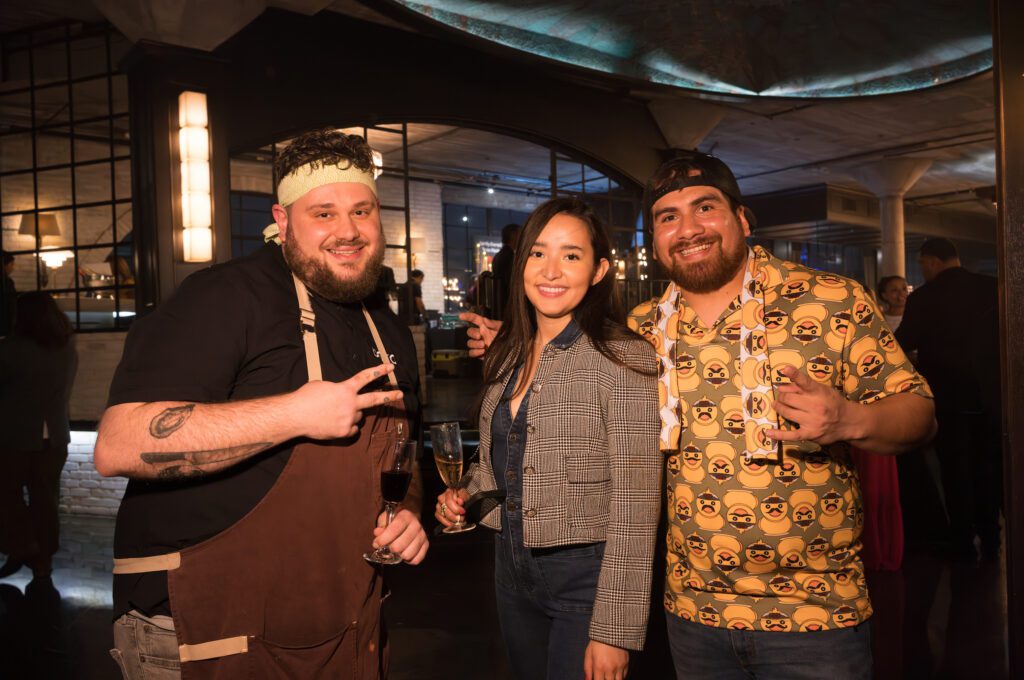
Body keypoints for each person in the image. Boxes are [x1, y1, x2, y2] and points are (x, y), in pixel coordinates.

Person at [464, 152, 936, 679]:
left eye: (705, 207)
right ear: (655, 241)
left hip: (814, 614)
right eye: (668, 217)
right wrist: (514, 340)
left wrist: (849, 420)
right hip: (691, 616)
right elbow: (567, 366)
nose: (688, 229)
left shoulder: (831, 301)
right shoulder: (640, 331)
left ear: (742, 219)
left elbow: (920, 413)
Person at [95, 128, 428, 679]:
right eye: (323, 213)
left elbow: (404, 454)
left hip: (341, 629)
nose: (348, 231)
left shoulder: (386, 326)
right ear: (283, 219)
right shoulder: (223, 298)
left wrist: (408, 511)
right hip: (203, 629)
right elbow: (118, 443)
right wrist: (293, 414)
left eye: (362, 211)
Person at [444, 197, 661, 680]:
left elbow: (637, 502)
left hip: (584, 580)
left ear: (599, 270)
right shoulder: (507, 354)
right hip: (509, 568)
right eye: (538, 253)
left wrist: (614, 630)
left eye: (571, 255)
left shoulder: (623, 358)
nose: (551, 271)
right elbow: (502, 460)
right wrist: (466, 493)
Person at [896, 237, 1001, 562]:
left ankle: (963, 541)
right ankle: (992, 535)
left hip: (947, 397)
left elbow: (902, 342)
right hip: (989, 393)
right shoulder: (992, 287)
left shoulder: (924, 297)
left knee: (955, 470)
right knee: (988, 466)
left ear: (931, 261)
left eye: (922, 264)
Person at [0, 292, 78, 580]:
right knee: (45, 500)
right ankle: (43, 559)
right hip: (55, 437)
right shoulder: (67, 348)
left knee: (7, 495)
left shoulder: (10, 350)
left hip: (15, 436)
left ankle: (21, 546)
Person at [491, 222, 521, 317]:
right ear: (513, 236)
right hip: (508, 303)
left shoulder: (499, 255)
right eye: (520, 234)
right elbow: (511, 281)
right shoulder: (510, 256)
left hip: (500, 302)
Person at [1, 252, 16, 337]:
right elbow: (11, 304)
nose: (13, 268)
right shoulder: (7, 282)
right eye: (12, 264)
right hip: (5, 321)